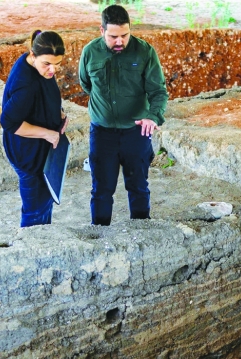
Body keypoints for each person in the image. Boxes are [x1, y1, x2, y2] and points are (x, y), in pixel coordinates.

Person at [79, 4, 168, 226]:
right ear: (101, 31)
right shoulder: (90, 52)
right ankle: (99, 235)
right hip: (102, 133)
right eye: (113, 36)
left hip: (136, 132)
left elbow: (158, 91)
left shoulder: (145, 51)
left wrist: (152, 116)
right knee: (101, 189)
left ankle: (141, 232)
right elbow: (86, 84)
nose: (119, 41)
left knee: (138, 186)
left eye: (124, 35)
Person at [0, 30, 68, 227]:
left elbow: (44, 97)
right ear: (32, 54)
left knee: (45, 204)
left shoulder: (38, 65)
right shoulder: (26, 85)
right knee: (35, 213)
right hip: (28, 157)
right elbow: (9, 122)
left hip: (41, 152)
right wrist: (48, 133)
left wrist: (59, 113)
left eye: (57, 64)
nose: (52, 70)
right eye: (47, 64)